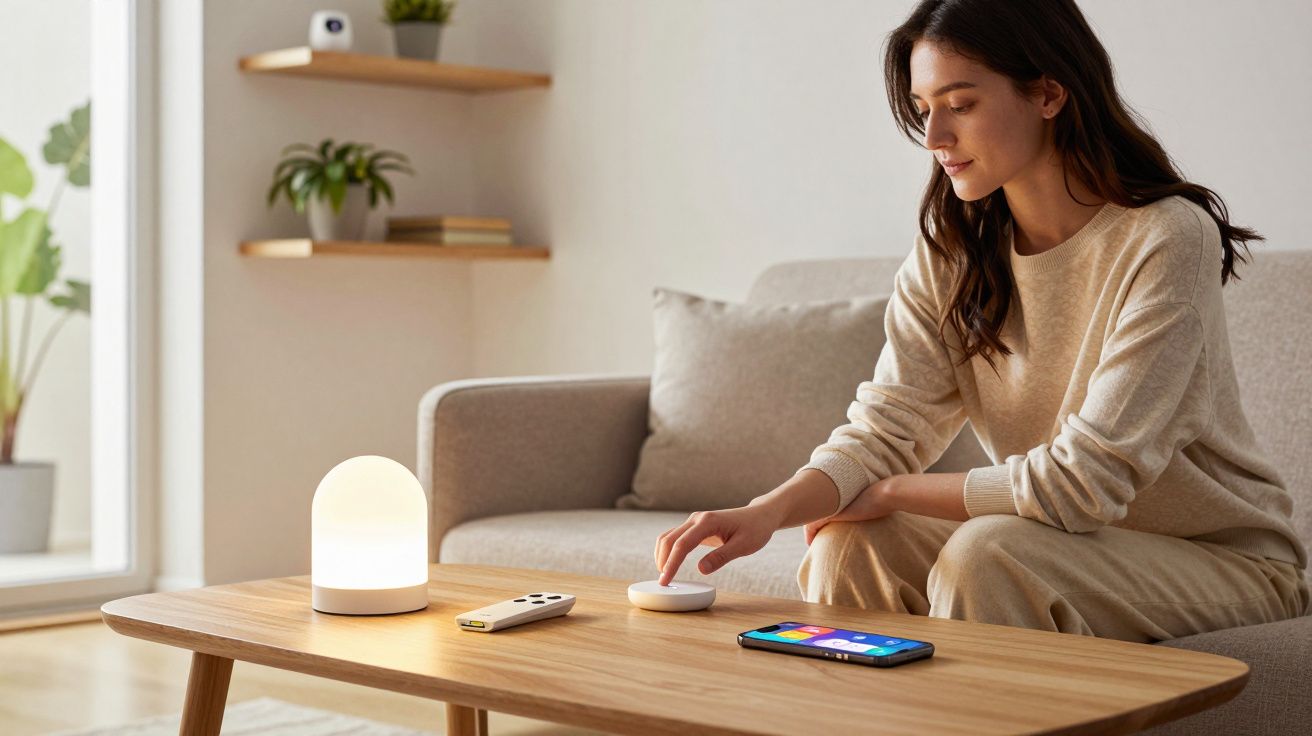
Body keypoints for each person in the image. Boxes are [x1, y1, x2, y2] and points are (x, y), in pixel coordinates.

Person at [652, 0, 1309, 643]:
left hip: (1224, 561)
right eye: (922, 111)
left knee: (990, 555)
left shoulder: (1166, 239)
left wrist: (896, 493)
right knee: (851, 546)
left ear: (1049, 93)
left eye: (960, 105)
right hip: (1063, 540)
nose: (934, 138)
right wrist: (767, 512)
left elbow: (1084, 483)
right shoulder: (953, 251)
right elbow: (886, 428)